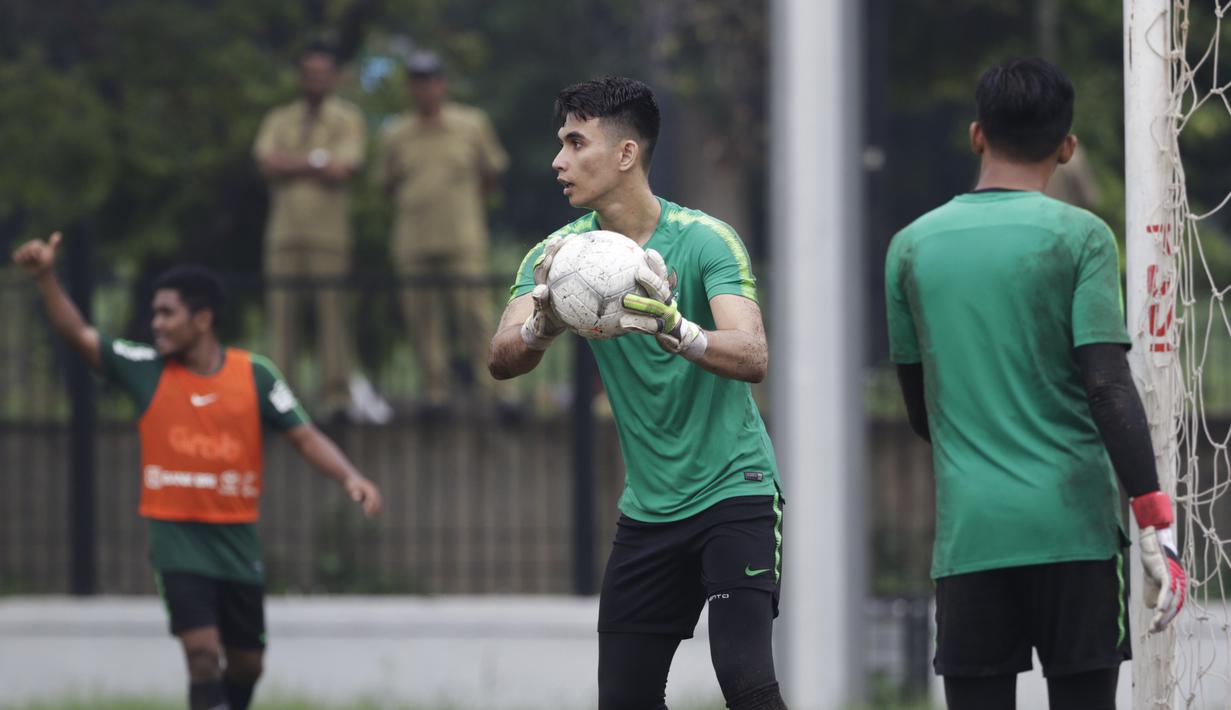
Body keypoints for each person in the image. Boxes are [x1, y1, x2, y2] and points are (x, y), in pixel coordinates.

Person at [885, 57, 1186, 710]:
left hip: (972, 536)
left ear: (977, 135)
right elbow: (1107, 387)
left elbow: (921, 412)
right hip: (1075, 532)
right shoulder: (1082, 237)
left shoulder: (909, 247)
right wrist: (1152, 516)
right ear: (1067, 147)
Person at [489, 77, 788, 710]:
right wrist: (542, 325)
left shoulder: (705, 239)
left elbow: (754, 355)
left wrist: (679, 330)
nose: (558, 161)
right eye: (560, 143)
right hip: (649, 510)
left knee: (746, 681)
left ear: (626, 153)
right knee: (624, 699)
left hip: (734, 491)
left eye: (576, 143)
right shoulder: (558, 258)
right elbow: (501, 356)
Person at [12, 233, 383, 710]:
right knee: (203, 655)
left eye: (167, 313)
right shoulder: (145, 369)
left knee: (247, 665)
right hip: (177, 538)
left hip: (236, 540)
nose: (156, 323)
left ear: (202, 319)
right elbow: (79, 335)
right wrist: (45, 276)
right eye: (155, 313)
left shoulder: (254, 375)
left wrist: (351, 476)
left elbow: (305, 436)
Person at [254, 41, 389, 424]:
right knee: (282, 320)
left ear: (333, 78)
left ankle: (336, 400)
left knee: (333, 318)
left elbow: (343, 168)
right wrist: (316, 160)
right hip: (283, 234)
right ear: (300, 77)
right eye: (308, 73)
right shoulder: (279, 118)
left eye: (321, 73)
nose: (315, 80)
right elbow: (266, 161)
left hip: (329, 236)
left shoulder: (347, 118)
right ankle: (281, 399)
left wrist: (293, 163)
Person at [376, 50, 510, 411]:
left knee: (474, 315)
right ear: (409, 88)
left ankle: (496, 390)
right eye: (417, 82)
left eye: (430, 81)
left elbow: (491, 174)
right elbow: (386, 185)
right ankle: (435, 393)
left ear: (442, 85)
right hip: (413, 240)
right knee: (422, 321)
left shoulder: (471, 124)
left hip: (461, 238)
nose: (424, 89)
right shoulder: (396, 133)